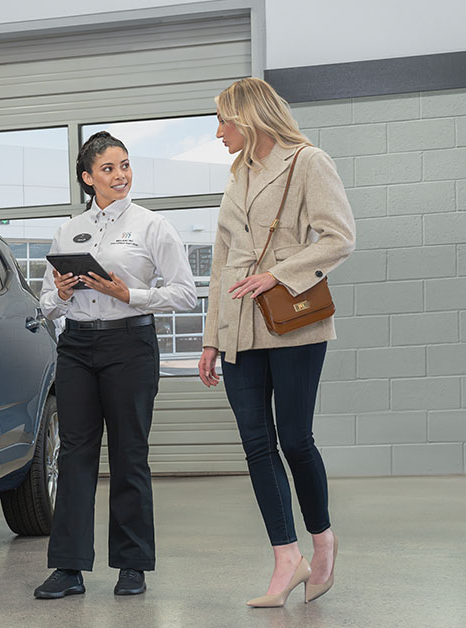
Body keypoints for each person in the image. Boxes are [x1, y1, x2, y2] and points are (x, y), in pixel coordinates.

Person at [197, 77, 355, 607]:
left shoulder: (308, 161)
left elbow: (339, 237)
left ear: (246, 117)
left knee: (294, 439)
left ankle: (323, 543)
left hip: (293, 323)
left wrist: (279, 274)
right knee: (256, 445)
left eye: (222, 120)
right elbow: (221, 264)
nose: (218, 132)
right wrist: (210, 339)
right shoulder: (237, 174)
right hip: (239, 326)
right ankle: (287, 558)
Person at [34, 131, 196, 599]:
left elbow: (185, 293)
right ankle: (68, 568)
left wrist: (130, 295)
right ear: (88, 178)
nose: (120, 175)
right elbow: (46, 301)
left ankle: (131, 566)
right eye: (108, 168)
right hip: (77, 349)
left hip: (130, 346)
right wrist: (62, 294)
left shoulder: (152, 226)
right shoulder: (69, 230)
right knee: (74, 455)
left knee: (129, 453)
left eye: (124, 165)